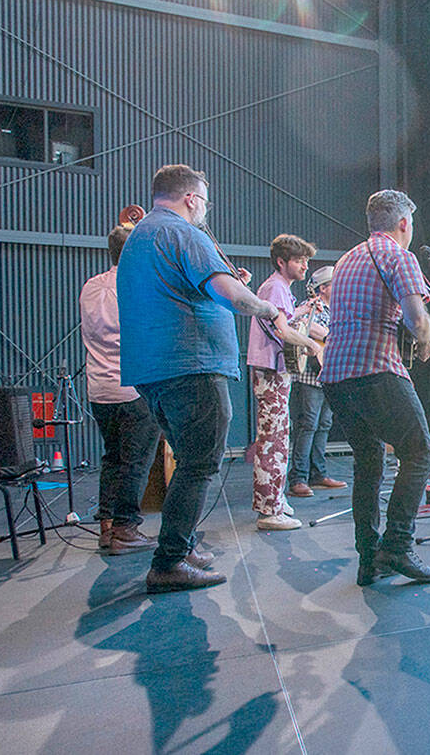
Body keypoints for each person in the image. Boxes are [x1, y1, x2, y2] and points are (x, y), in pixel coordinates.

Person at [119, 164, 295, 593]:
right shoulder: (185, 233)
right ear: (192, 200)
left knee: (188, 460)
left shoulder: (140, 237)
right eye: (204, 203)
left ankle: (182, 541)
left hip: (154, 369)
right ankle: (169, 561)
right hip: (191, 366)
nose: (204, 212)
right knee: (200, 464)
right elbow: (227, 293)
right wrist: (271, 310)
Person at [320, 189, 430, 587]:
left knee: (368, 464)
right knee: (421, 454)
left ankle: (368, 558)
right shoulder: (398, 256)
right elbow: (414, 315)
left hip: (337, 376)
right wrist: (425, 340)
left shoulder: (346, 260)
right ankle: (399, 545)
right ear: (404, 223)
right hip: (374, 369)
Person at [80, 224, 161, 555]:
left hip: (98, 388)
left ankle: (107, 527)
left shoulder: (90, 286)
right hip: (133, 388)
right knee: (136, 462)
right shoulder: (137, 286)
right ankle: (126, 528)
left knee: (112, 457)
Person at [247, 234, 323, 530]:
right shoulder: (276, 287)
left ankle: (275, 499)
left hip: (276, 370)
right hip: (270, 370)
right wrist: (312, 345)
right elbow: (283, 332)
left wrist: (303, 312)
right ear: (282, 262)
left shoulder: (280, 289)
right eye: (299, 260)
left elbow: (286, 320)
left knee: (278, 436)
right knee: (272, 440)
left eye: (306, 259)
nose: (305, 265)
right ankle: (269, 510)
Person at [287, 265, 347, 498]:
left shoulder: (339, 310)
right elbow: (304, 325)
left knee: (324, 425)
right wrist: (330, 335)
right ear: (323, 288)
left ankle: (318, 474)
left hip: (330, 375)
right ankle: (298, 478)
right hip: (310, 377)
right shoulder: (312, 307)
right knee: (307, 425)